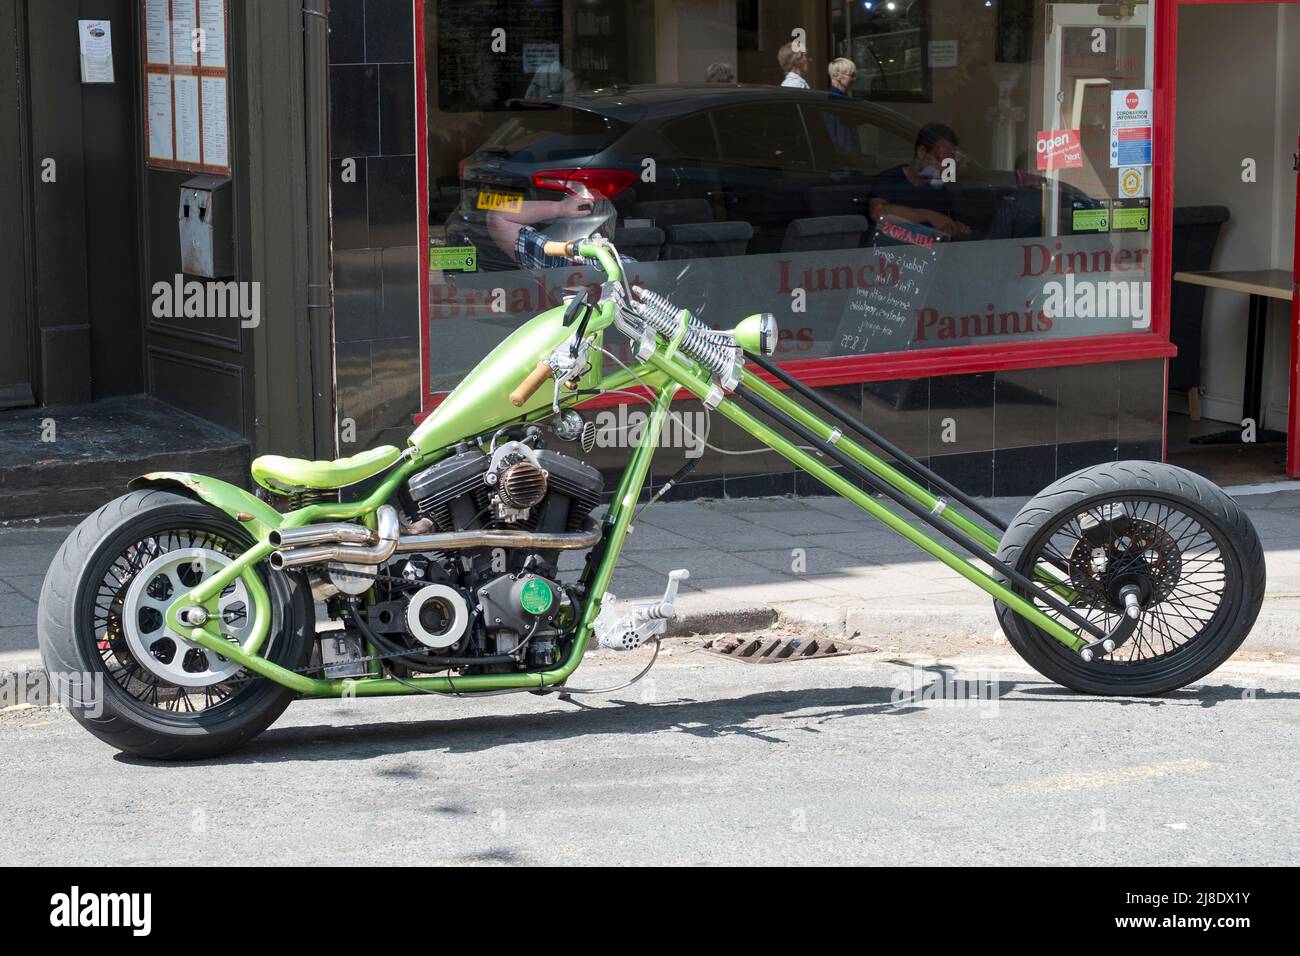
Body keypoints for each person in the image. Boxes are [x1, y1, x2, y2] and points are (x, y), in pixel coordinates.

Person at [869, 121, 972, 239]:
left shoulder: (938, 190)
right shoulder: (889, 179)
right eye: (940, 160)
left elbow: (943, 229)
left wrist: (955, 229)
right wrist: (929, 215)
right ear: (921, 152)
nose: (944, 168)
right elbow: (878, 213)